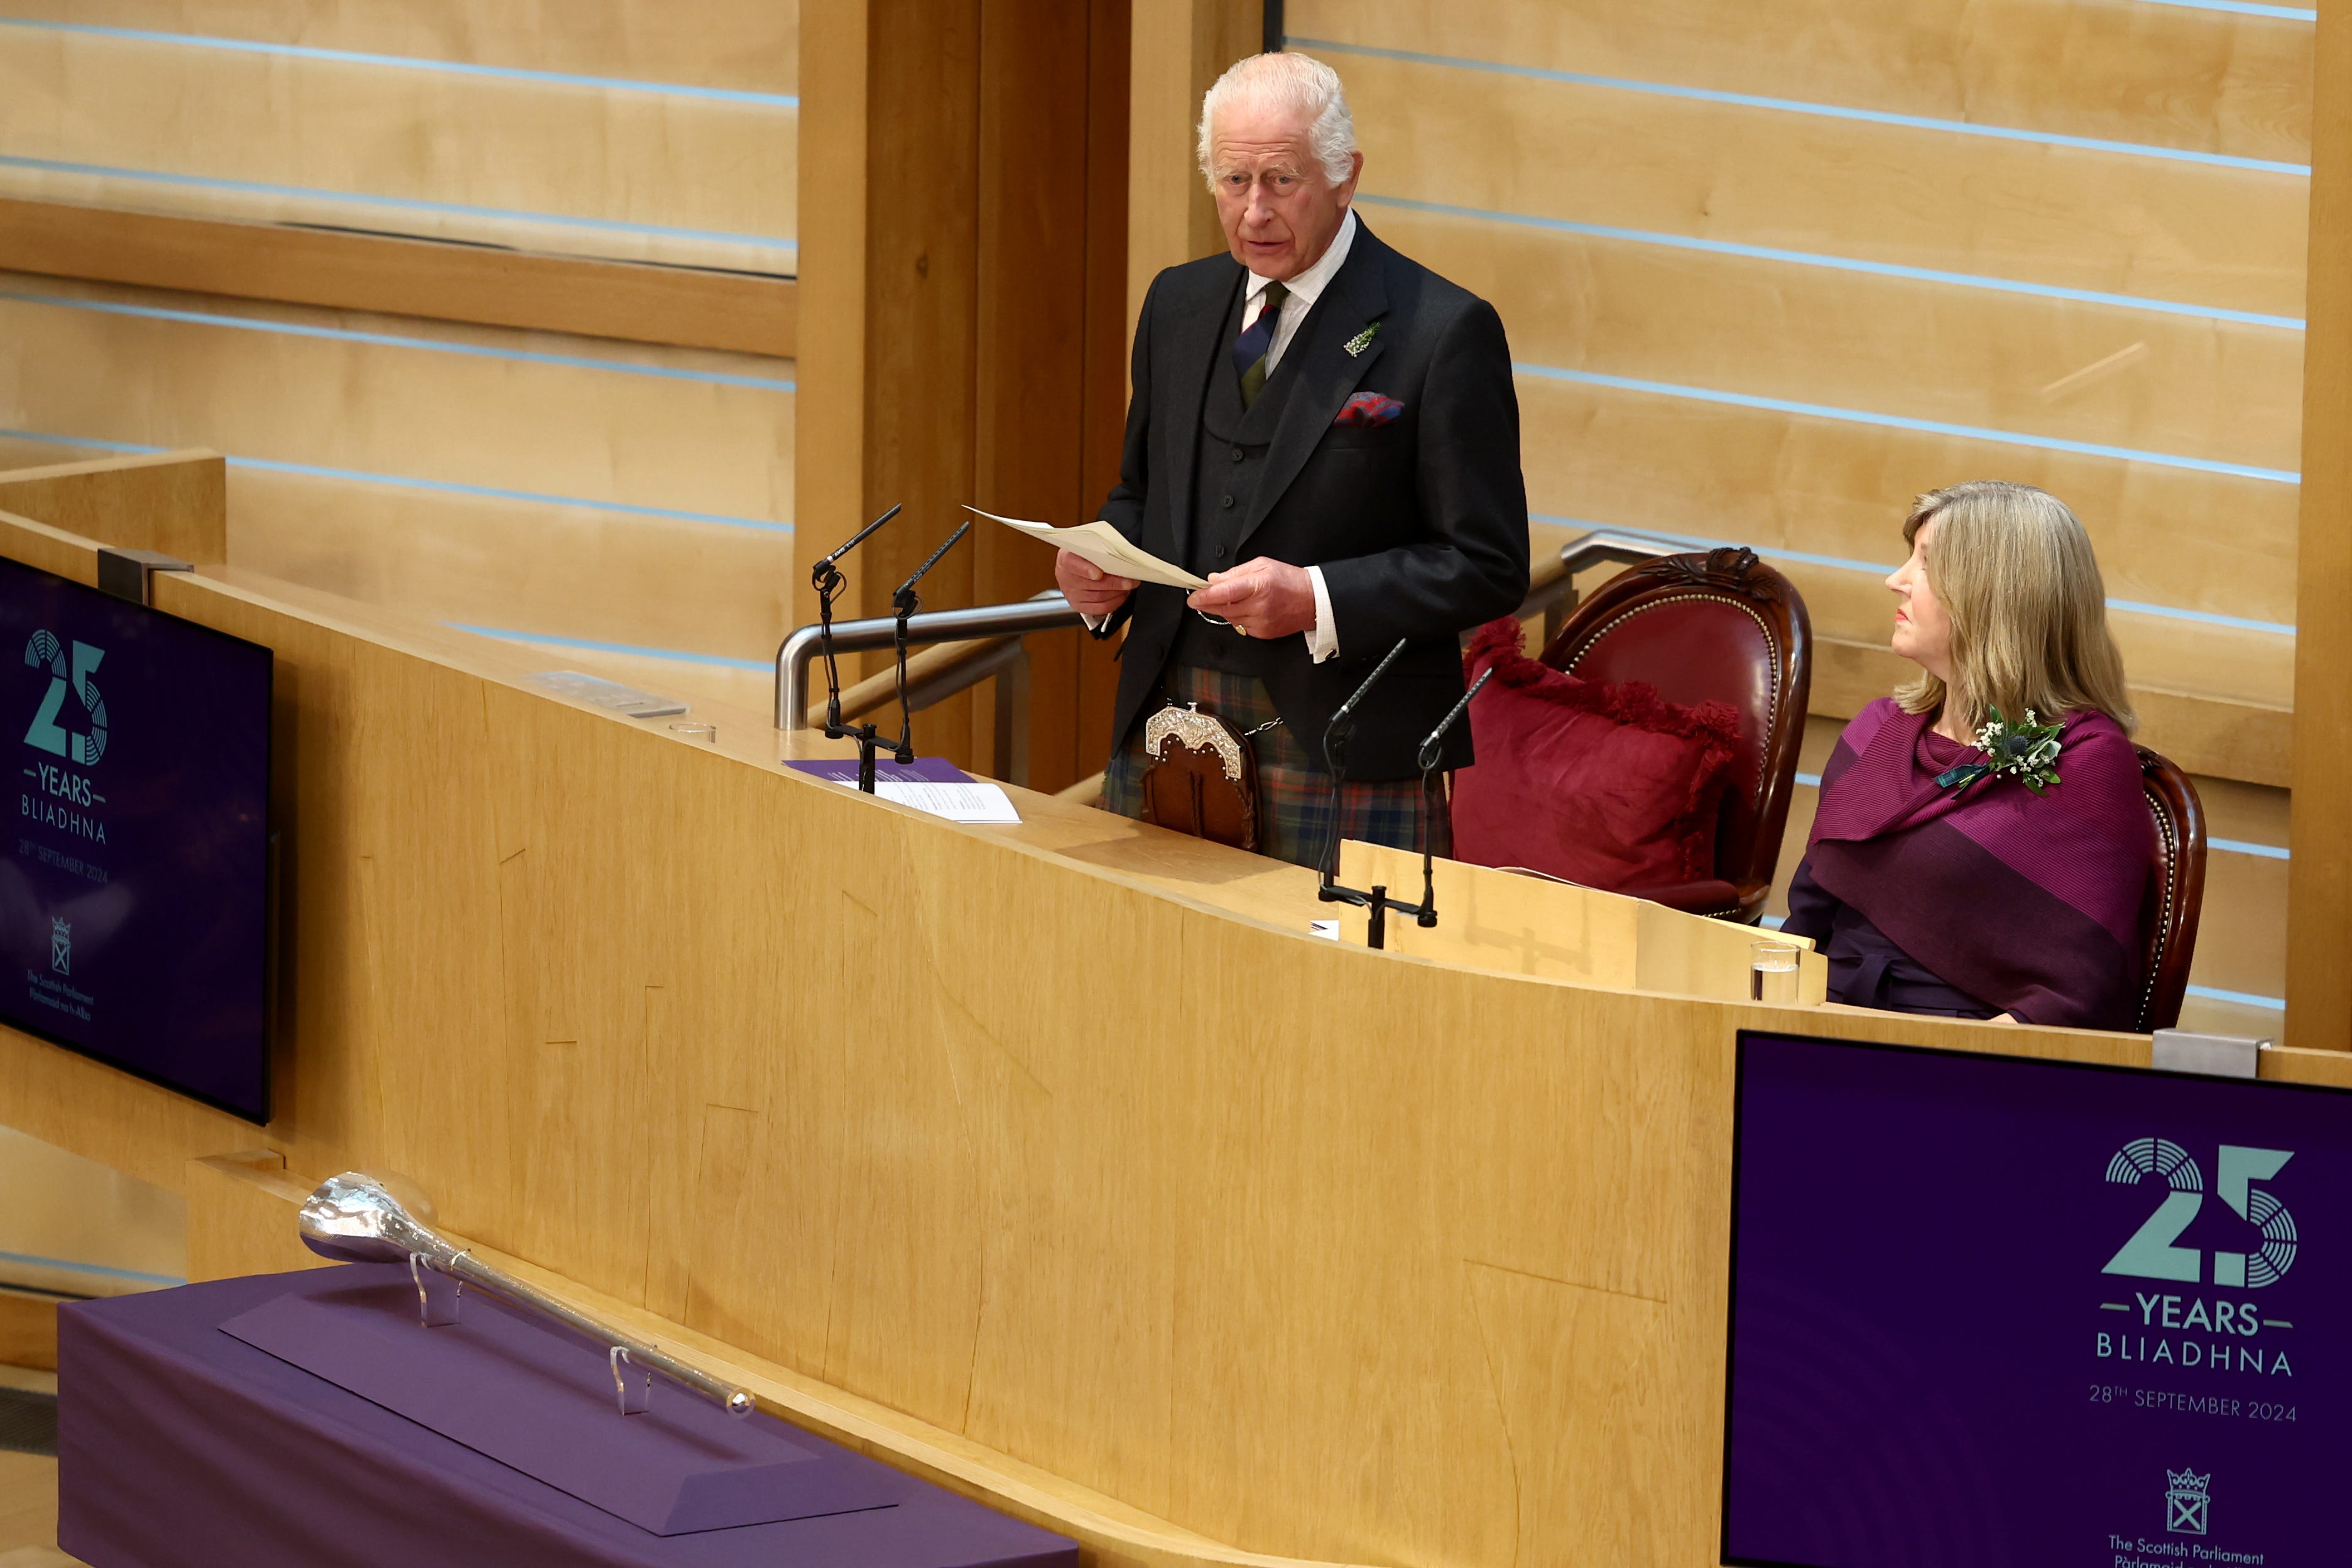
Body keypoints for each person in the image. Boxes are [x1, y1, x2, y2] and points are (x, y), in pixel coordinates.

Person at [1059, 52, 1528, 868]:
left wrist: (1315, 598)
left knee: (1338, 999)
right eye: (1233, 181)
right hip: (1164, 720)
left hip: (1345, 747)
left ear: (1345, 177)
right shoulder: (1177, 302)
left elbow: (1487, 565)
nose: (1253, 213)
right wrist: (1097, 568)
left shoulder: (1443, 332)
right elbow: (1141, 493)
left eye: (1281, 181)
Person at [1781, 481, 2156, 1030]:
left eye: (1926, 564)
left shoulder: (2088, 760)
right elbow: (1805, 924)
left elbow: (2079, 996)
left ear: (1995, 596)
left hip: (1965, 1062)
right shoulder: (1876, 731)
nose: (1896, 580)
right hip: (1819, 1026)